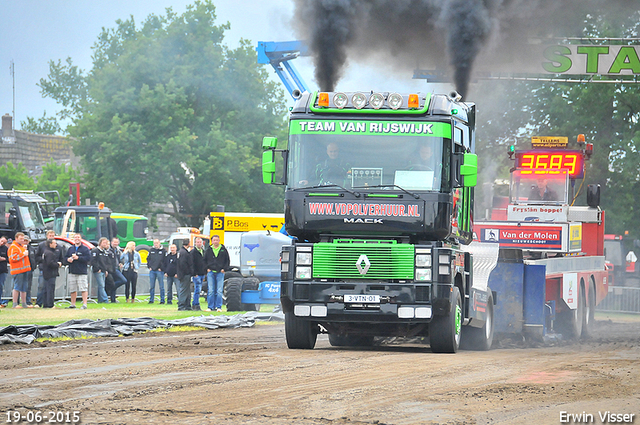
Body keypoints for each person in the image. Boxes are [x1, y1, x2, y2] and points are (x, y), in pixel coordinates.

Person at [204, 234, 230, 312]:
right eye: (214, 240)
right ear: (212, 241)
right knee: (211, 290)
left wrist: (224, 269)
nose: (215, 241)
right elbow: (204, 260)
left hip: (220, 273)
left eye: (217, 240)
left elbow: (227, 260)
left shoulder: (223, 249)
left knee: (219, 291)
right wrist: (207, 269)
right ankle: (210, 307)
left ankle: (219, 307)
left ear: (219, 240)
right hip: (211, 272)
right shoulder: (209, 250)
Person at [64, 233, 91, 309]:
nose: (77, 239)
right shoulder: (70, 248)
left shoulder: (85, 249)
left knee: (83, 288)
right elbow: (65, 258)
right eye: (75, 237)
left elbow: (88, 258)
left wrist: (78, 258)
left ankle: (84, 304)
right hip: (72, 271)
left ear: (81, 238)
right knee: (72, 289)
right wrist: (68, 259)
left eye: (78, 237)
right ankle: (73, 304)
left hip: (82, 272)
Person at [8, 232, 32, 308]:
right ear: (16, 238)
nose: (22, 240)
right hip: (17, 270)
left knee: (24, 287)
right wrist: (23, 254)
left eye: (23, 238)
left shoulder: (21, 247)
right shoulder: (13, 247)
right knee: (17, 287)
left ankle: (24, 304)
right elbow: (13, 258)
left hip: (24, 270)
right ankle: (15, 304)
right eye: (21, 238)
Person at [35, 230, 58, 307]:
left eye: (53, 235)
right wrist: (57, 264)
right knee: (43, 287)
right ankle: (42, 303)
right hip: (45, 270)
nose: (51, 237)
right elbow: (49, 262)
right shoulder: (43, 247)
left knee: (48, 288)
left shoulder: (57, 248)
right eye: (50, 235)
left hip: (51, 271)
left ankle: (46, 304)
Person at [41, 239, 62, 308]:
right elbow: (50, 263)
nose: (56, 245)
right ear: (50, 244)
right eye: (54, 243)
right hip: (50, 273)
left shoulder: (46, 252)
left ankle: (45, 304)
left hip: (46, 273)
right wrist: (57, 264)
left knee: (46, 289)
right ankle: (50, 304)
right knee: (50, 289)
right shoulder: (50, 253)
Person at [90, 237, 112, 303]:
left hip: (103, 271)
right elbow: (93, 261)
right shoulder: (95, 250)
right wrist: (97, 268)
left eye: (106, 243)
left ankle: (100, 299)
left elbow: (105, 262)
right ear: (100, 243)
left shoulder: (104, 252)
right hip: (98, 271)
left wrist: (106, 270)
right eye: (104, 243)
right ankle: (105, 299)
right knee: (101, 285)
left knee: (102, 286)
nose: (105, 244)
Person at [108, 237, 127, 303]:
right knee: (123, 280)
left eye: (117, 242)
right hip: (111, 269)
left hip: (116, 268)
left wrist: (121, 263)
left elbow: (121, 259)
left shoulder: (118, 250)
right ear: (111, 242)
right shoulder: (108, 250)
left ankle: (113, 299)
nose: (115, 243)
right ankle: (111, 288)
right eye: (114, 242)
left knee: (119, 282)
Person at [147, 239, 166, 304]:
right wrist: (149, 266)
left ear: (159, 243)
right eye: (154, 243)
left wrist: (162, 268)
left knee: (161, 286)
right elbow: (148, 259)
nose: (156, 244)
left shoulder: (163, 251)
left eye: (157, 243)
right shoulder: (151, 250)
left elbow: (165, 260)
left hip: (159, 271)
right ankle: (151, 299)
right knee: (152, 286)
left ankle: (162, 300)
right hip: (152, 271)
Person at [176, 239, 193, 311]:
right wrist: (188, 271)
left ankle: (187, 305)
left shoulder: (180, 252)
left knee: (187, 290)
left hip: (181, 274)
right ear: (188, 243)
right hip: (185, 274)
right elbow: (183, 264)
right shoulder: (185, 253)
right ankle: (181, 305)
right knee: (183, 290)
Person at [190, 237, 207, 311]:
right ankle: (195, 304)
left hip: (202, 273)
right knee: (197, 289)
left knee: (199, 290)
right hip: (196, 274)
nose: (199, 243)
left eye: (200, 242)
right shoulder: (193, 252)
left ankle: (195, 304)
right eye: (197, 242)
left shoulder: (203, 251)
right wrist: (194, 273)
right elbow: (191, 263)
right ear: (195, 243)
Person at [0, 236, 9, 308]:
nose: (2, 243)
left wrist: (4, 259)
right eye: (2, 241)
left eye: (4, 242)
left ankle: (0, 302)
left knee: (1, 286)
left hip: (3, 270)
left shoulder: (6, 249)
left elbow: (9, 259)